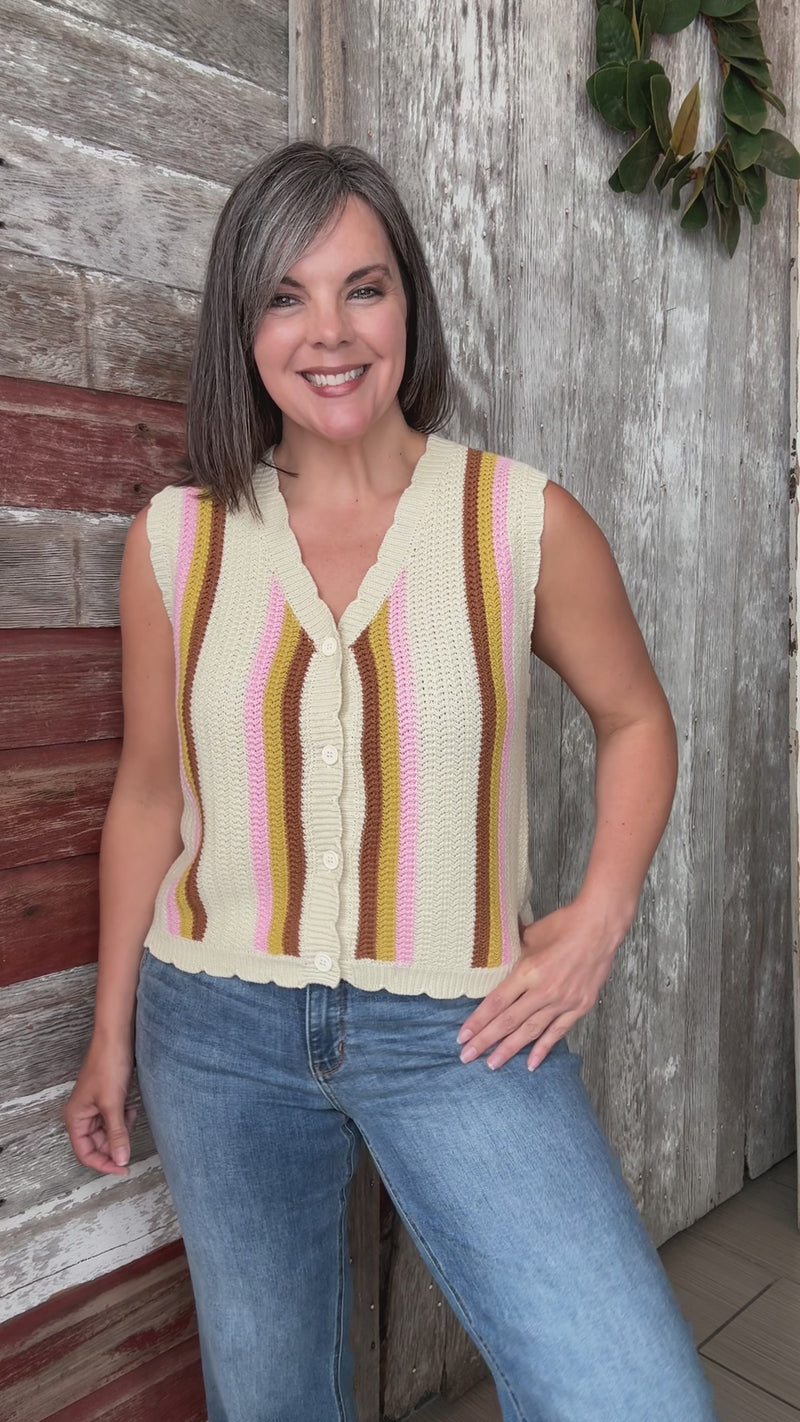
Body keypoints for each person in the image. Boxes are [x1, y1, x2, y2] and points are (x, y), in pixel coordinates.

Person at [64, 141, 718, 1422]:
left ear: (406, 301)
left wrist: (598, 916)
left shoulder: (517, 522)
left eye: (361, 287)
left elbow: (636, 718)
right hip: (214, 1029)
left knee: (631, 1398)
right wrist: (108, 1033)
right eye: (284, 296)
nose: (328, 332)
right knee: (270, 1398)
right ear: (240, 326)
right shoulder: (176, 541)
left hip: (458, 1028)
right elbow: (148, 792)